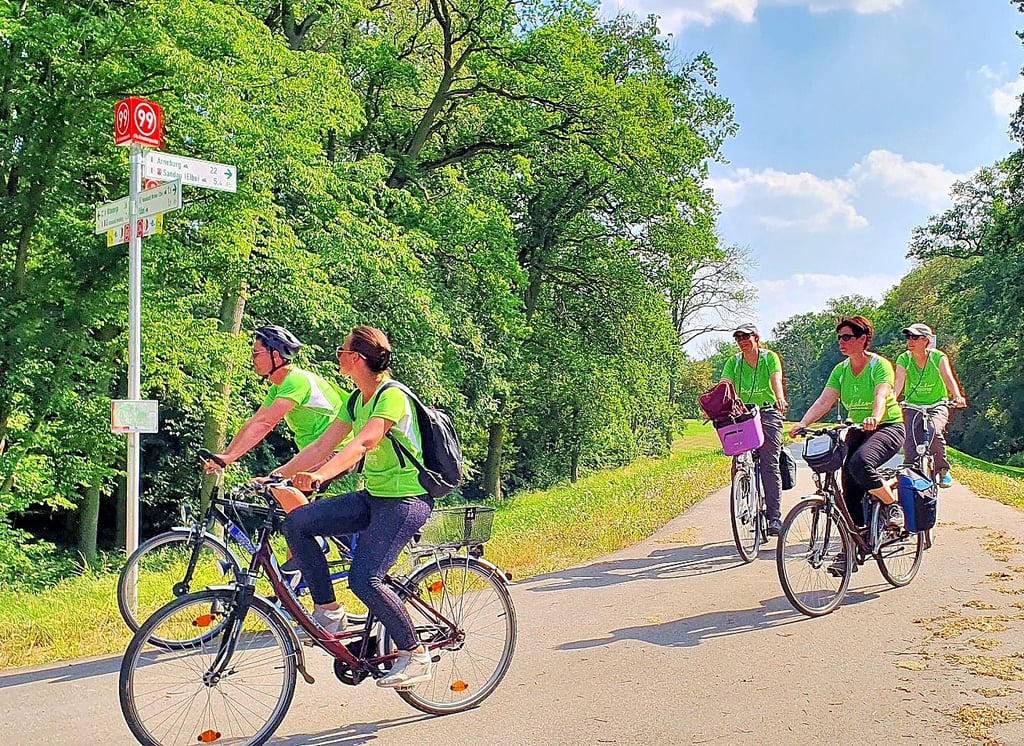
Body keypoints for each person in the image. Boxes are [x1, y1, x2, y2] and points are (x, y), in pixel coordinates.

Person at [278, 325, 435, 689]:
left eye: (341, 350)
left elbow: (363, 443)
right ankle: (330, 613)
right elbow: (323, 445)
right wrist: (278, 475)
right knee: (299, 523)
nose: (337, 356)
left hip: (405, 501)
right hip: (373, 497)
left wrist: (320, 476)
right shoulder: (355, 400)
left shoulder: (392, 397)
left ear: (357, 359)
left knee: (365, 580)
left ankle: (416, 654)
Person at [203, 325, 344, 514]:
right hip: (315, 453)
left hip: (335, 451)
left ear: (275, 356)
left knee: (282, 487)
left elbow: (265, 424)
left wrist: (229, 458)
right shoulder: (278, 387)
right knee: (288, 504)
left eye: (256, 353)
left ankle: (315, 536)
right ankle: (308, 537)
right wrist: (225, 456)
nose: (252, 359)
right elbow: (255, 421)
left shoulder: (296, 381)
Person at [789, 315, 906, 531]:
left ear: (863, 339)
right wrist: (803, 423)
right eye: (839, 338)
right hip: (857, 430)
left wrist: (876, 416)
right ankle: (856, 540)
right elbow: (825, 400)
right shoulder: (841, 370)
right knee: (849, 484)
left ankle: (892, 506)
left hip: (887, 427)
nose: (841, 342)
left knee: (860, 463)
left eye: (847, 337)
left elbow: (882, 393)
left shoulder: (879, 365)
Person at [720, 323, 789, 536]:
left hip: (768, 411)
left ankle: (774, 517)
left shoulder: (769, 358)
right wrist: (717, 403)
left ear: (756, 338)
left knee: (769, 464)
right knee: (737, 458)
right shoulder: (734, 362)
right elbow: (725, 384)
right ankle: (743, 494)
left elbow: (775, 379)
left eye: (746, 337)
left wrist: (779, 398)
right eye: (738, 338)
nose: (742, 342)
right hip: (743, 413)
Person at [894, 322, 966, 488]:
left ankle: (942, 470)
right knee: (910, 443)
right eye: (908, 337)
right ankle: (910, 477)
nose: (909, 341)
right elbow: (898, 383)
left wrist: (957, 396)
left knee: (933, 430)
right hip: (912, 405)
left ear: (926, 340)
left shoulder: (938, 357)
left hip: (937, 404)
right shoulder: (904, 359)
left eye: (915, 337)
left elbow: (948, 377)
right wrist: (890, 402)